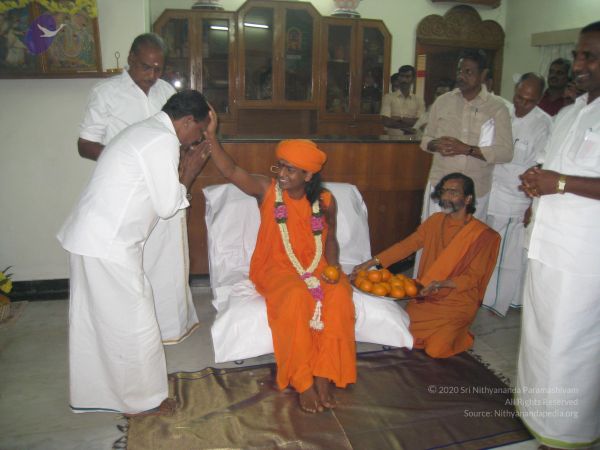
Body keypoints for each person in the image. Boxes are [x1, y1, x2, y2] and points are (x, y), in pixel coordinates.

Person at [57, 90, 212, 415]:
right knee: (136, 322)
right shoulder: (162, 140)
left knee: (101, 323)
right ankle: (143, 401)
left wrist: (181, 169)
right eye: (199, 131)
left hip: (93, 239)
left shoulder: (144, 129)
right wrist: (191, 170)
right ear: (187, 121)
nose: (197, 140)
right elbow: (167, 206)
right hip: (107, 244)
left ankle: (103, 395)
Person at [202, 113, 356, 413]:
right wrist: (212, 136)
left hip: (316, 264)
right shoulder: (267, 190)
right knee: (296, 297)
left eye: (290, 170)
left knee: (339, 295)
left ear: (308, 176)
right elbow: (231, 170)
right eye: (280, 166)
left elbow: (331, 239)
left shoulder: (325, 200)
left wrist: (334, 268)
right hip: (275, 267)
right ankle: (303, 381)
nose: (282, 174)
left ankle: (324, 374)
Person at [78, 33, 199, 344]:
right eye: (146, 67)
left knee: (167, 261)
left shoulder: (165, 92)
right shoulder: (106, 93)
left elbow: (178, 135)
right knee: (134, 267)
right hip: (129, 194)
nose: (153, 75)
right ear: (131, 58)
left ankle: (168, 328)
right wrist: (126, 158)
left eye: (159, 68)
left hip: (164, 186)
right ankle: (135, 333)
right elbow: (85, 144)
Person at [516, 21, 600, 449]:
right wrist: (535, 181)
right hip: (546, 242)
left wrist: (560, 183)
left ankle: (568, 430)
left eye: (590, 56)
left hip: (583, 255)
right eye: (578, 55)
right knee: (539, 336)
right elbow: (550, 167)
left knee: (572, 345)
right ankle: (536, 416)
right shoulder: (569, 113)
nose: (578, 64)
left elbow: (563, 179)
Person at [353, 173, 500, 358]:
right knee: (405, 336)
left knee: (436, 350)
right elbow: (407, 245)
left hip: (457, 300)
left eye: (453, 192)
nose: (446, 197)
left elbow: (473, 278)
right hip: (427, 295)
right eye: (444, 191)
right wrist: (370, 262)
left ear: (468, 198)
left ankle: (462, 336)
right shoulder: (435, 221)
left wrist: (443, 284)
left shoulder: (482, 236)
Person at [483, 73, 552, 317]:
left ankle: (497, 303)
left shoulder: (544, 124)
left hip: (515, 198)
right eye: (519, 97)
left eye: (529, 101)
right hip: (491, 191)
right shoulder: (504, 112)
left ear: (539, 99)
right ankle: (486, 295)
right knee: (489, 250)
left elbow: (542, 167)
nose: (522, 104)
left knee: (507, 256)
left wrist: (532, 204)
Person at [420, 49, 513, 222]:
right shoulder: (443, 101)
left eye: (468, 72)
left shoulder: (497, 108)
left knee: (468, 238)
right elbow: (426, 140)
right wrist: (436, 145)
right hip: (440, 186)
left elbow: (505, 152)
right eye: (459, 71)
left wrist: (466, 149)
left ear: (483, 74)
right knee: (434, 235)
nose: (461, 76)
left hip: (475, 190)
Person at [380, 65, 425, 135]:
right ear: (398, 78)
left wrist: (400, 119)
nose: (404, 80)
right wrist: (409, 124)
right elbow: (386, 121)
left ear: (413, 79)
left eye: (407, 77)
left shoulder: (419, 100)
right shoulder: (388, 97)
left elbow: (420, 122)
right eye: (402, 76)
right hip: (392, 139)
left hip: (412, 139)